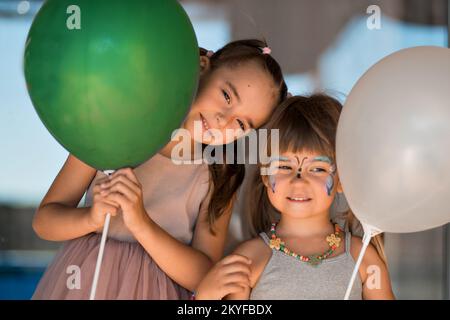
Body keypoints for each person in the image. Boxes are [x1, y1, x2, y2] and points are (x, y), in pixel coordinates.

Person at [32, 39, 287, 299]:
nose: (224, 120)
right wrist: (91, 218)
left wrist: (141, 223)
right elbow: (44, 222)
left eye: (242, 124)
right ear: (202, 67)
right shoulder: (112, 128)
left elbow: (203, 274)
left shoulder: (220, 177)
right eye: (226, 95)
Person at [194, 94, 395, 300]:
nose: (298, 181)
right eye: (283, 166)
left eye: (317, 168)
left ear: (342, 180)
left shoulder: (363, 259)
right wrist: (205, 296)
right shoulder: (248, 260)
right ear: (265, 174)